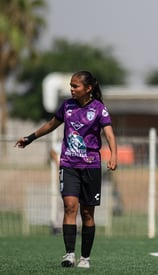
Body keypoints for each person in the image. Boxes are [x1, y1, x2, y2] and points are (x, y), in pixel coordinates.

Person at [15, 70, 117, 269]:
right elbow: (51, 124)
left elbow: (110, 134)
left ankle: (85, 258)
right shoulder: (67, 106)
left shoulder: (99, 109)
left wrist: (113, 155)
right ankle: (69, 254)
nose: (71, 89)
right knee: (70, 206)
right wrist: (30, 138)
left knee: (88, 214)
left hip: (91, 166)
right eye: (71, 85)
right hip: (69, 164)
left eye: (75, 86)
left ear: (88, 89)